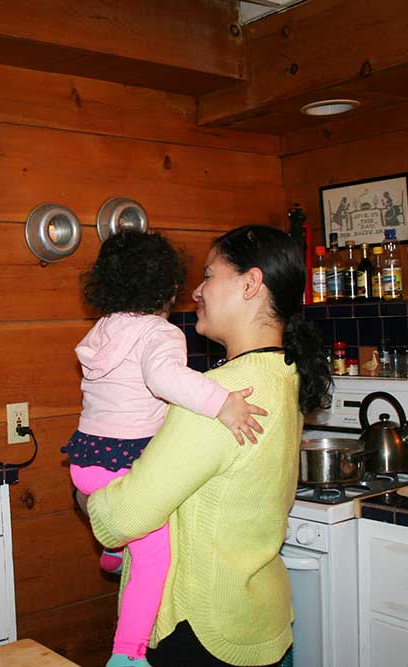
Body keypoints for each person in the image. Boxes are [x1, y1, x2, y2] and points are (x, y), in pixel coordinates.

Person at [82, 225, 332, 667]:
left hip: (201, 631)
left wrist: (87, 496)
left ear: (250, 284)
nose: (196, 291)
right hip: (261, 621)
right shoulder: (286, 379)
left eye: (209, 275)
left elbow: (124, 516)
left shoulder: (219, 396)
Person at [63, 230, 269, 667]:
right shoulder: (160, 332)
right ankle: (128, 653)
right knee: (155, 556)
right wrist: (222, 403)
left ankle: (113, 550)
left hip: (85, 461)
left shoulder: (103, 331)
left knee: (127, 533)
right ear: (169, 287)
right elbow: (165, 380)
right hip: (125, 461)